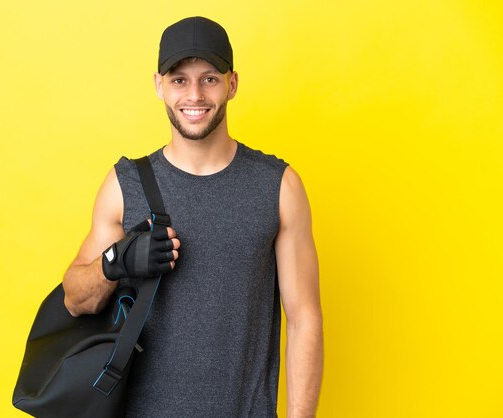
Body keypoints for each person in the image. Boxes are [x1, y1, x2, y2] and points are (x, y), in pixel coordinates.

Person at [62, 16, 323, 418]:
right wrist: (117, 261)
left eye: (210, 79)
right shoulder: (124, 184)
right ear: (158, 86)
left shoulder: (279, 186)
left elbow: (304, 319)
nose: (195, 95)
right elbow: (75, 299)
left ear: (232, 84)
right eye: (179, 80)